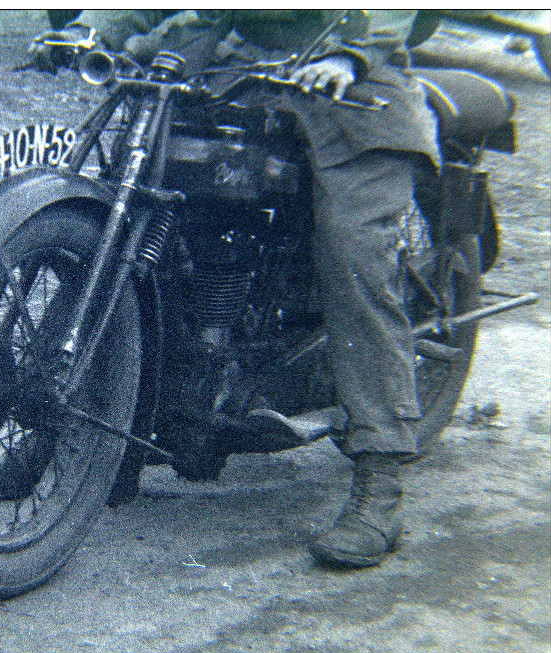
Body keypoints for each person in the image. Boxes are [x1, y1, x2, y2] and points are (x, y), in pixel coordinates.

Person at [28, 10, 443, 570]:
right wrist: (97, 33)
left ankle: (381, 477)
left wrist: (350, 55)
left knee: (352, 259)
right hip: (250, 75)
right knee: (136, 217)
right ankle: (66, 428)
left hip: (357, 96)